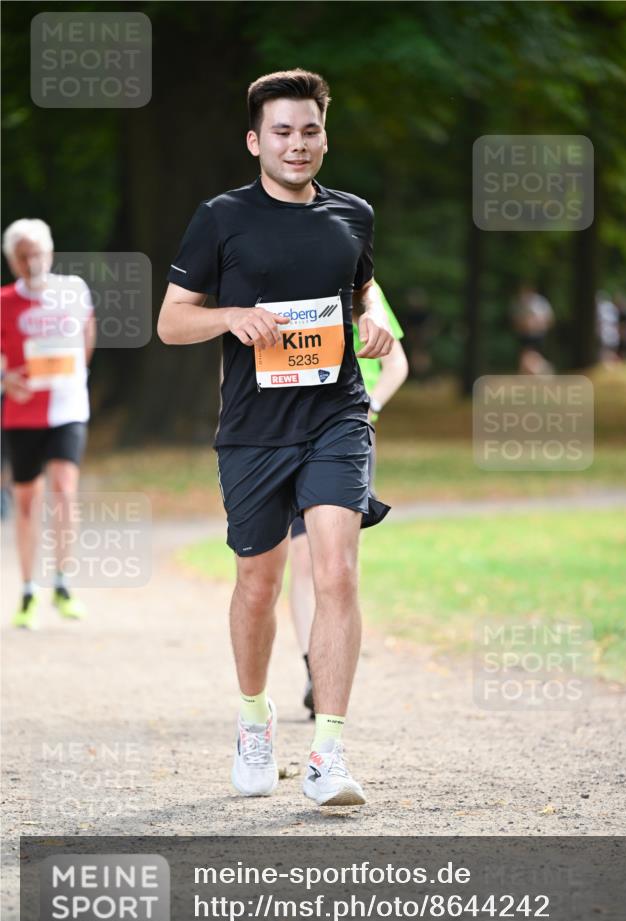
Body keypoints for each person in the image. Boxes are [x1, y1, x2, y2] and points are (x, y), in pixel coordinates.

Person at [158, 69, 394, 808]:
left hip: (336, 417)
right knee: (257, 585)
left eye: (310, 129)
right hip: (254, 432)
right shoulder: (221, 218)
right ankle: (254, 721)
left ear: (325, 134)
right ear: (256, 140)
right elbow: (170, 323)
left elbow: (355, 302)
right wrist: (230, 317)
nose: (298, 143)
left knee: (335, 573)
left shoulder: (353, 215)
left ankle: (328, 749)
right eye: (283, 132)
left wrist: (368, 328)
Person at [291, 284, 408, 716]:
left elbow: (397, 363)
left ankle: (327, 664)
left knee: (336, 561)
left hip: (349, 435)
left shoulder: (367, 295)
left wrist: (371, 403)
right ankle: (312, 667)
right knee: (302, 558)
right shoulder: (289, 286)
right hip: (291, 433)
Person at [1, 218, 96, 628]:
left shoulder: (73, 290)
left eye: (37, 252)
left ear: (50, 253)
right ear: (12, 262)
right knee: (26, 500)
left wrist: (76, 375)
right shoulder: (4, 301)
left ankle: (62, 581)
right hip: (22, 412)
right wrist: (5, 379)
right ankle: (27, 589)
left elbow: (87, 335)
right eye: (23, 255)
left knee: (64, 488)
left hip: (68, 407)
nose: (31, 261)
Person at [511, 284, 555, 375]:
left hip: (538, 334)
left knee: (531, 356)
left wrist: (537, 324)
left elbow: (549, 319)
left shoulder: (540, 302)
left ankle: (542, 373)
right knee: (526, 356)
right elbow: (514, 320)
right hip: (524, 334)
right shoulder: (518, 302)